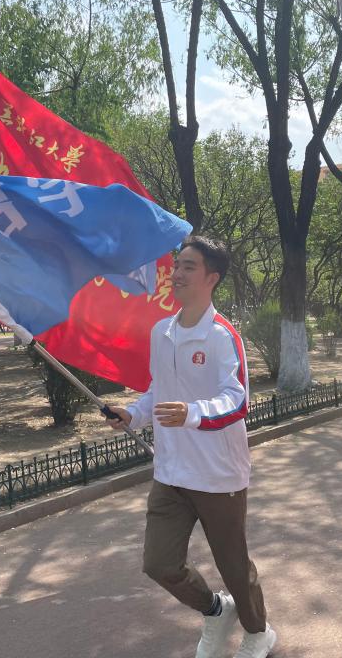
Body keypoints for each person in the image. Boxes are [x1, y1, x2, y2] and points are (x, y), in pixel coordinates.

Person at [105, 236, 276, 658]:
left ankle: (258, 632)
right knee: (159, 563)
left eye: (188, 267)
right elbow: (157, 391)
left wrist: (192, 413)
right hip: (170, 471)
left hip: (217, 474)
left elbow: (236, 399)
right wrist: (133, 414)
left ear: (211, 278)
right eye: (177, 265)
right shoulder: (161, 331)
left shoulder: (221, 336)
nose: (177, 274)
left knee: (233, 566)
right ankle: (215, 609)